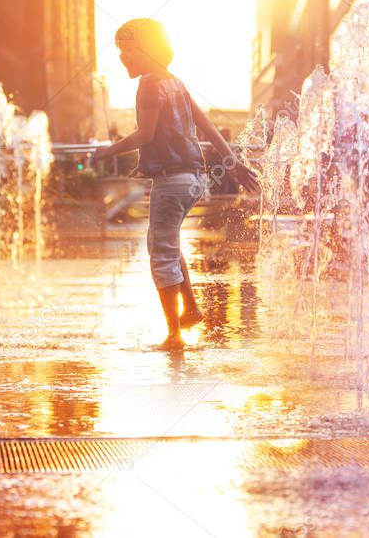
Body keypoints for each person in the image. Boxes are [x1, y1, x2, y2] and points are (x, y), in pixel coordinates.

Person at [92, 19, 259, 351]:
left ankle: (174, 335)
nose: (123, 57)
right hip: (195, 179)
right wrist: (232, 161)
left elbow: (146, 135)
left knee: (160, 251)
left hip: (172, 180)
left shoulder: (149, 86)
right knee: (168, 243)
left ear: (147, 49)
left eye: (128, 49)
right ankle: (192, 308)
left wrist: (108, 150)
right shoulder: (176, 84)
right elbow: (207, 127)